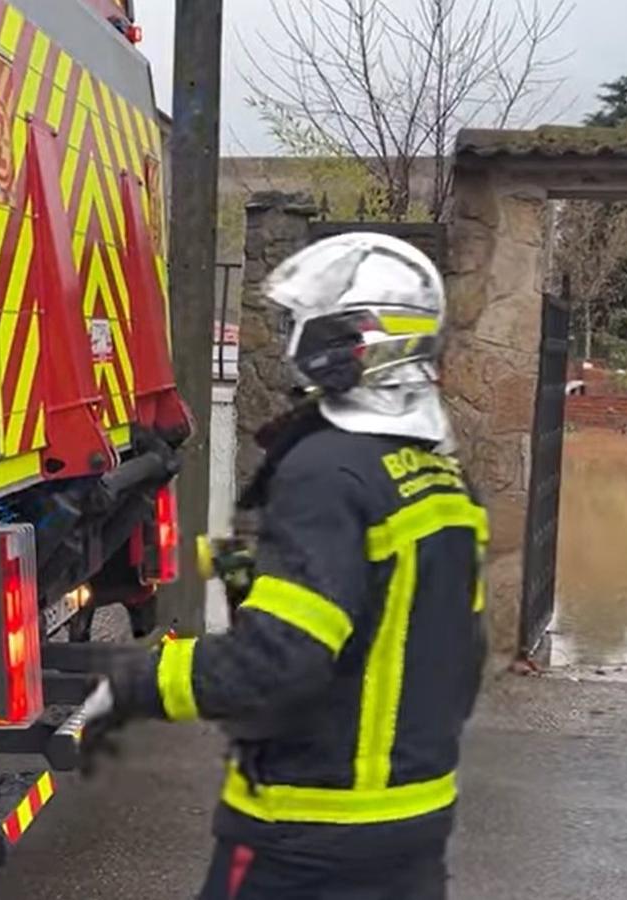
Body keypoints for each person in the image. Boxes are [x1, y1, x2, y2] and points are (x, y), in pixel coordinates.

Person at [102, 232, 489, 899]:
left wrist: (140, 679)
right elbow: (410, 621)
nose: (289, 342)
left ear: (352, 338)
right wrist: (242, 562)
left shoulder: (327, 470)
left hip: (308, 835)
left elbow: (279, 665)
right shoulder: (439, 478)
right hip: (412, 822)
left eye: (301, 323)